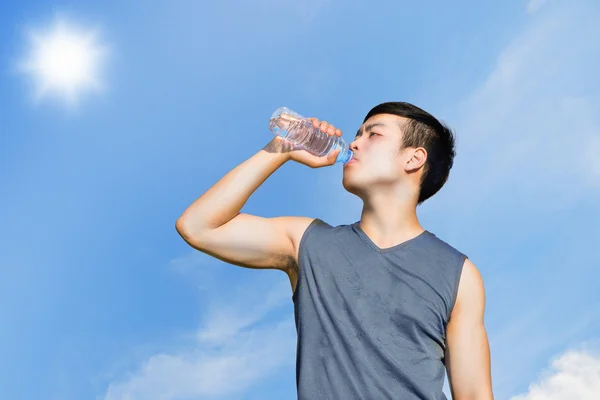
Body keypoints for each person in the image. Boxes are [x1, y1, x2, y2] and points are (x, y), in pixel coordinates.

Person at [175, 102, 494, 400]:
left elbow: (475, 395)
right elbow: (199, 227)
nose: (355, 143)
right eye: (357, 135)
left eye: (374, 134)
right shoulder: (306, 242)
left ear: (413, 158)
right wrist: (279, 150)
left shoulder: (459, 275)